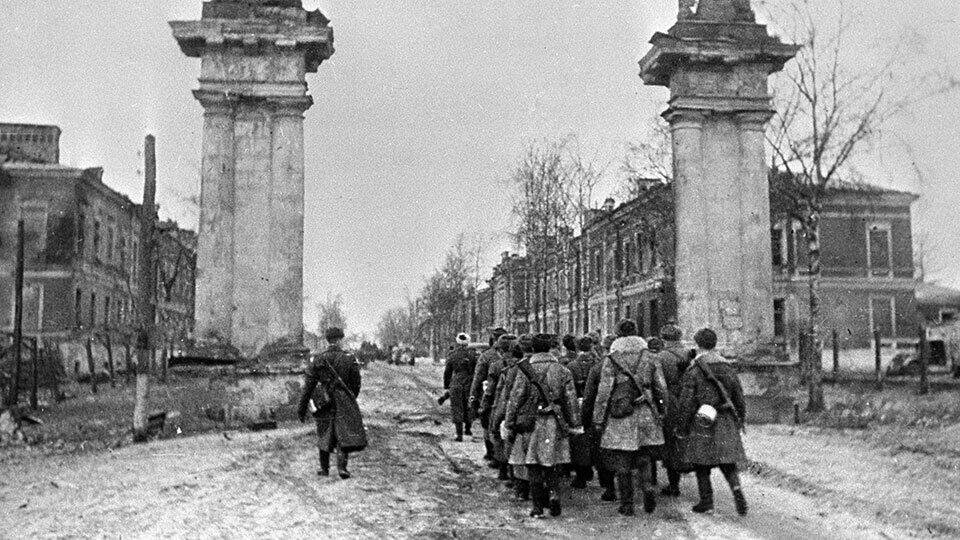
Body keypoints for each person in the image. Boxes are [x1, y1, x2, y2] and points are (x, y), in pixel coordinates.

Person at [592, 319, 667, 516]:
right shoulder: (650, 356)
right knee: (644, 454)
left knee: (622, 459)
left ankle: (627, 504)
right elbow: (661, 388)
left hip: (621, 413)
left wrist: (598, 418)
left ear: (618, 334)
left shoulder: (612, 359)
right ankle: (648, 487)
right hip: (645, 410)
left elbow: (604, 392)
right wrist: (661, 410)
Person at [502, 333, 582, 518]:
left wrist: (510, 422)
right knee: (553, 463)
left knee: (533, 464)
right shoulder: (562, 370)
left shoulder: (525, 369)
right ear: (549, 348)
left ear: (534, 348)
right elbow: (570, 399)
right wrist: (574, 423)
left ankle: (537, 507)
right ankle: (554, 495)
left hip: (531, 422)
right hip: (555, 421)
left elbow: (515, 398)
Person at [678, 328, 748, 516]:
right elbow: (739, 396)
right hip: (725, 418)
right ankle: (736, 489)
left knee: (701, 463)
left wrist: (683, 425)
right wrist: (740, 419)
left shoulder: (694, 369)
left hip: (703, 419)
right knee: (728, 461)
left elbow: (687, 401)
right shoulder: (727, 367)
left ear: (697, 344)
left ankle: (706, 501)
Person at [297, 327, 366, 479]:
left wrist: (301, 408)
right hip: (343, 400)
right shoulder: (349, 358)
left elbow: (308, 387)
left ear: (327, 340)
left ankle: (324, 469)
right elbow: (356, 384)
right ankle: (342, 468)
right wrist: (349, 397)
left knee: (324, 432)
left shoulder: (318, 359)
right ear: (340, 340)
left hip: (324, 400)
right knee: (343, 432)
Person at [647, 322, 693, 496]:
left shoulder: (660, 357)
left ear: (663, 338)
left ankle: (665, 483)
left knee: (666, 441)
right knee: (682, 440)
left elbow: (656, 383)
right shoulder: (690, 354)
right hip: (689, 401)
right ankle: (678, 482)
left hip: (669, 401)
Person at [490, 340, 529, 498]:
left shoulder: (510, 372)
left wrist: (498, 420)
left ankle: (520, 487)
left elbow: (506, 399)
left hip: (519, 418)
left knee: (515, 452)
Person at [566, 336, 600, 489]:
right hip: (596, 403)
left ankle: (581, 475)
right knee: (596, 439)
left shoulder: (571, 365)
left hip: (578, 403)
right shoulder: (598, 364)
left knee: (579, 440)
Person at [482, 333, 517, 479]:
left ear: (501, 350)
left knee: (498, 434)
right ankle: (513, 472)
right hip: (517, 405)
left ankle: (503, 469)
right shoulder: (523, 365)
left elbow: (490, 390)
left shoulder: (496, 366)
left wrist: (484, 406)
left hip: (500, 403)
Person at [470, 328, 509, 460]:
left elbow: (477, 378)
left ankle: (492, 453)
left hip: (490, 395)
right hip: (508, 397)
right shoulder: (516, 355)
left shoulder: (486, 356)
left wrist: (473, 398)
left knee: (488, 424)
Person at [444, 333, 478, 442]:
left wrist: (446, 385)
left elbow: (448, 371)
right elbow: (476, 370)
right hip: (469, 383)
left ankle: (459, 434)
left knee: (457, 407)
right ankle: (468, 429)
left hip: (456, 383)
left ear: (457, 342)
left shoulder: (452, 354)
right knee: (469, 406)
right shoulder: (472, 355)